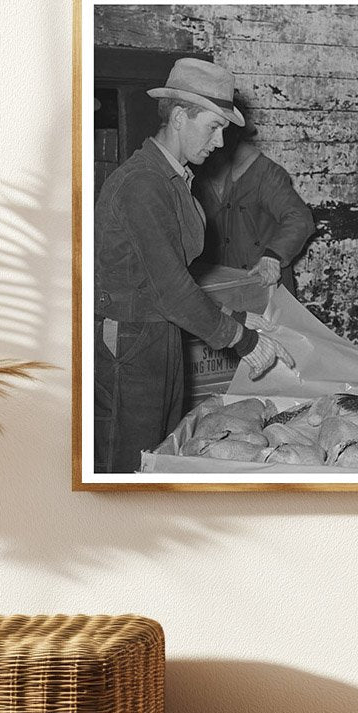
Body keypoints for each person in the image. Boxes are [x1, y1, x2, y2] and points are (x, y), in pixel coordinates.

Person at [93, 58, 294, 473]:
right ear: (181, 117)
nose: (220, 143)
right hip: (130, 340)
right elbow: (170, 289)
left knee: (161, 449)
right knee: (130, 461)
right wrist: (243, 340)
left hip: (160, 332)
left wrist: (238, 317)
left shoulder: (173, 179)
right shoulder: (143, 184)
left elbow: (168, 282)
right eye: (214, 127)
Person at [192, 99, 314, 295]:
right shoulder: (193, 172)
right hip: (217, 287)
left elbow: (299, 218)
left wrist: (272, 256)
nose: (218, 140)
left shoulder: (263, 172)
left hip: (264, 284)